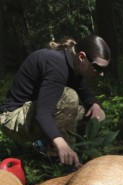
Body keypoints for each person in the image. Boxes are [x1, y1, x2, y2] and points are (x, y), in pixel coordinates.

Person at [0, 35, 111, 168]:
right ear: (82, 57)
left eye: (104, 69)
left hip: (34, 113)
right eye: (98, 68)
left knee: (98, 115)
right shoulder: (57, 65)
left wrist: (95, 105)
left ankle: (63, 149)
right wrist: (61, 143)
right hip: (12, 119)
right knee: (69, 97)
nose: (101, 74)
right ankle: (60, 160)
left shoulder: (73, 64)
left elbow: (87, 96)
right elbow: (43, 113)